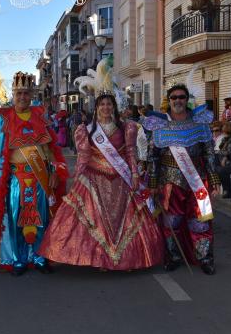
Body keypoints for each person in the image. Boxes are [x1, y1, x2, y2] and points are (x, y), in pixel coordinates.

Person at [38, 93, 164, 270]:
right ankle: (99, 259)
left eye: (109, 104)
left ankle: (125, 260)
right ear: (96, 108)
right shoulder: (86, 130)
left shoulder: (127, 128)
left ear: (114, 107)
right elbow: (83, 156)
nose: (106, 107)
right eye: (102, 104)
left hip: (120, 179)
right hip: (93, 178)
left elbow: (130, 153)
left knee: (122, 220)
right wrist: (76, 179)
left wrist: (135, 174)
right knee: (95, 219)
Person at [0, 72, 68, 276]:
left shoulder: (41, 117)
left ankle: (40, 257)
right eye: (18, 93)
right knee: (16, 219)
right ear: (13, 95)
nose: (22, 97)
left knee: (41, 218)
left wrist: (55, 170)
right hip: (16, 179)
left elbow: (51, 150)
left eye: (26, 93)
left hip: (40, 177)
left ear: (31, 93)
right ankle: (18, 259)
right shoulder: (3, 120)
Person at [144, 83, 221, 275]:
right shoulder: (159, 124)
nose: (178, 100)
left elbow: (209, 153)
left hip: (199, 181)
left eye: (181, 97)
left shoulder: (200, 122)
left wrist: (214, 180)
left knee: (200, 221)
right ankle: (173, 257)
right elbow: (152, 156)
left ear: (187, 100)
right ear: (168, 101)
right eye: (174, 97)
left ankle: (205, 258)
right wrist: (152, 184)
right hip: (170, 182)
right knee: (172, 221)